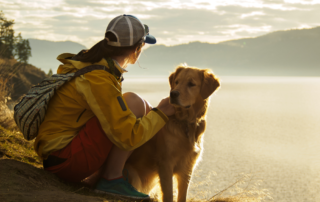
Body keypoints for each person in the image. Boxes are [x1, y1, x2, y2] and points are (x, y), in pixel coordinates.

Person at [34, 14, 175, 200]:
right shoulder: (99, 78)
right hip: (66, 160)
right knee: (134, 103)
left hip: (57, 155)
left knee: (137, 105)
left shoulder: (92, 65)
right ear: (137, 49)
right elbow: (127, 137)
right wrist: (161, 114)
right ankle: (111, 179)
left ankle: (101, 176)